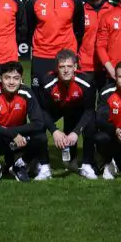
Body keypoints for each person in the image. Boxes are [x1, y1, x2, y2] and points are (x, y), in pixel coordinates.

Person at [0, 61, 47, 183]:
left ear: (21, 79)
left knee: (41, 138)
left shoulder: (26, 93)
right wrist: (11, 134)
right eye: (7, 78)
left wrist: (14, 133)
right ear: (1, 78)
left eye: (16, 78)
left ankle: (20, 165)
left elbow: (39, 123)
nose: (11, 82)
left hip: (18, 139)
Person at [24, 0, 85, 90]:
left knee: (68, 100)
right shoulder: (33, 0)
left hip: (67, 57)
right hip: (41, 56)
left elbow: (79, 30)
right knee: (40, 99)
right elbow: (29, 30)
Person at [39, 49, 97, 179]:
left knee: (92, 122)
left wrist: (76, 132)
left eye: (69, 66)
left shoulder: (87, 82)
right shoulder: (47, 82)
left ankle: (87, 164)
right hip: (57, 108)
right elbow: (42, 111)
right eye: (62, 67)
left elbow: (89, 110)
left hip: (77, 109)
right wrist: (54, 131)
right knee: (38, 124)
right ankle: (43, 165)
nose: (66, 70)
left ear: (75, 67)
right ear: (56, 68)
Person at [79, 0, 115, 90]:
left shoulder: (114, 9)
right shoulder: (79, 9)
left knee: (105, 105)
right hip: (85, 66)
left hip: (108, 67)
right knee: (85, 106)